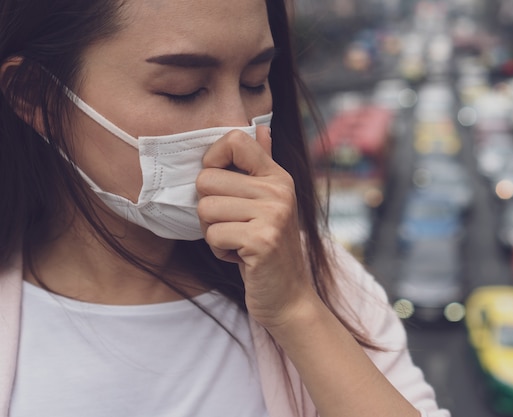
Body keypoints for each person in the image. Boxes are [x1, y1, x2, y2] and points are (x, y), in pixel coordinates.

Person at [0, 1, 451, 416]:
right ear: (36, 97)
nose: (238, 133)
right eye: (184, 90)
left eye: (256, 82)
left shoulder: (320, 280)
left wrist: (297, 310)